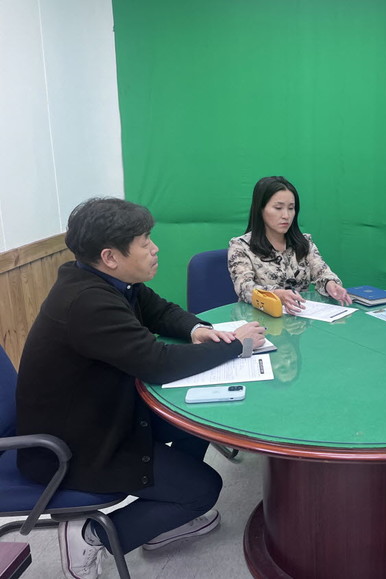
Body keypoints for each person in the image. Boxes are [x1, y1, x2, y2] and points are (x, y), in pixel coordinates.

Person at [15, 198, 266, 579]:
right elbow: (157, 363)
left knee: (198, 419)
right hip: (74, 445)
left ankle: (165, 515)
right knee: (203, 489)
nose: (155, 248)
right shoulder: (88, 303)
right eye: (145, 242)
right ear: (110, 256)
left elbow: (160, 311)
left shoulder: (105, 281)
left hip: (103, 410)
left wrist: (198, 330)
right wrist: (236, 346)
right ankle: (91, 536)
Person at [228, 176, 351, 314]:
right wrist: (276, 294)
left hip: (300, 318)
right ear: (260, 209)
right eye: (278, 208)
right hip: (259, 318)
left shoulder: (304, 243)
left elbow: (322, 272)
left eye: (291, 208)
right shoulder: (241, 247)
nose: (286, 215)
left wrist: (330, 284)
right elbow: (244, 287)